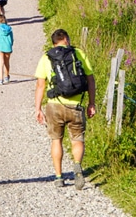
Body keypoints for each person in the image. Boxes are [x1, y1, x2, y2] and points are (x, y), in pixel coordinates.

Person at [34, 29, 96, 190]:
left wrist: (38, 108)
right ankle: (77, 166)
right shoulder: (78, 53)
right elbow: (90, 79)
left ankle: (59, 177)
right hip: (75, 105)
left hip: (54, 105)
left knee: (56, 141)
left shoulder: (47, 57)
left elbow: (40, 85)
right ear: (67, 40)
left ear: (53, 42)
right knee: (77, 139)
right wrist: (91, 103)